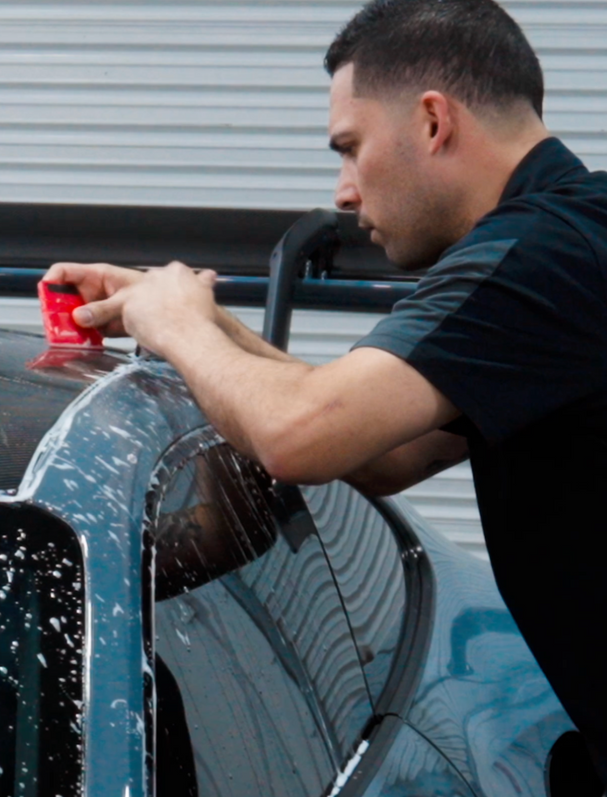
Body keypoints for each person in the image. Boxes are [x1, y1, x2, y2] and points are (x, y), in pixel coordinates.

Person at [44, 0, 607, 785]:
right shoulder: (565, 243)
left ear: (433, 122)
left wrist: (177, 326)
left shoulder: (532, 257)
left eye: (350, 148)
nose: (343, 193)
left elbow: (302, 434)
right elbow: (382, 447)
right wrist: (202, 320)